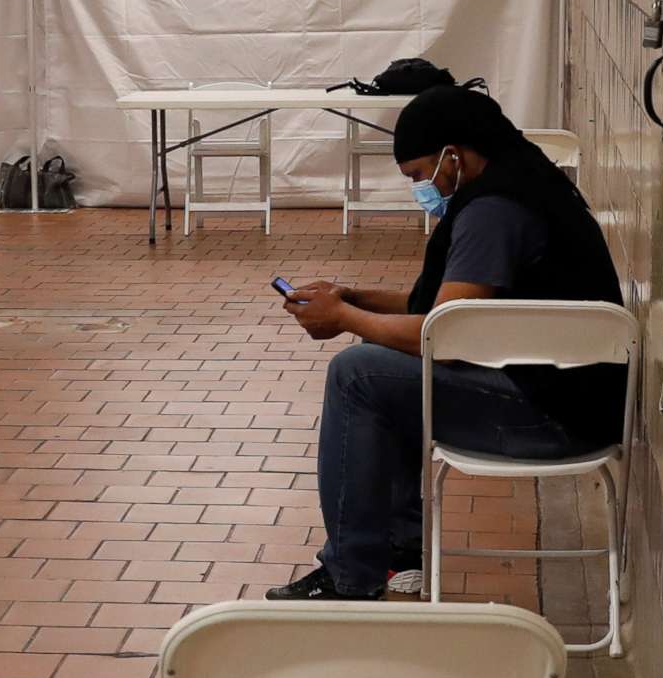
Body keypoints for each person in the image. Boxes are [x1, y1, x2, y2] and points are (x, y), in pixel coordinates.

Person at [268, 84, 627, 601]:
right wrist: (353, 297)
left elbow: (442, 334)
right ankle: (399, 550)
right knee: (381, 369)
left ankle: (350, 577)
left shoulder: (494, 212)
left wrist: (345, 317)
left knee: (358, 375)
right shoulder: (525, 181)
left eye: (419, 175)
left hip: (554, 419)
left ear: (452, 156)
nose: (421, 188)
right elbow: (447, 309)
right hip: (571, 398)